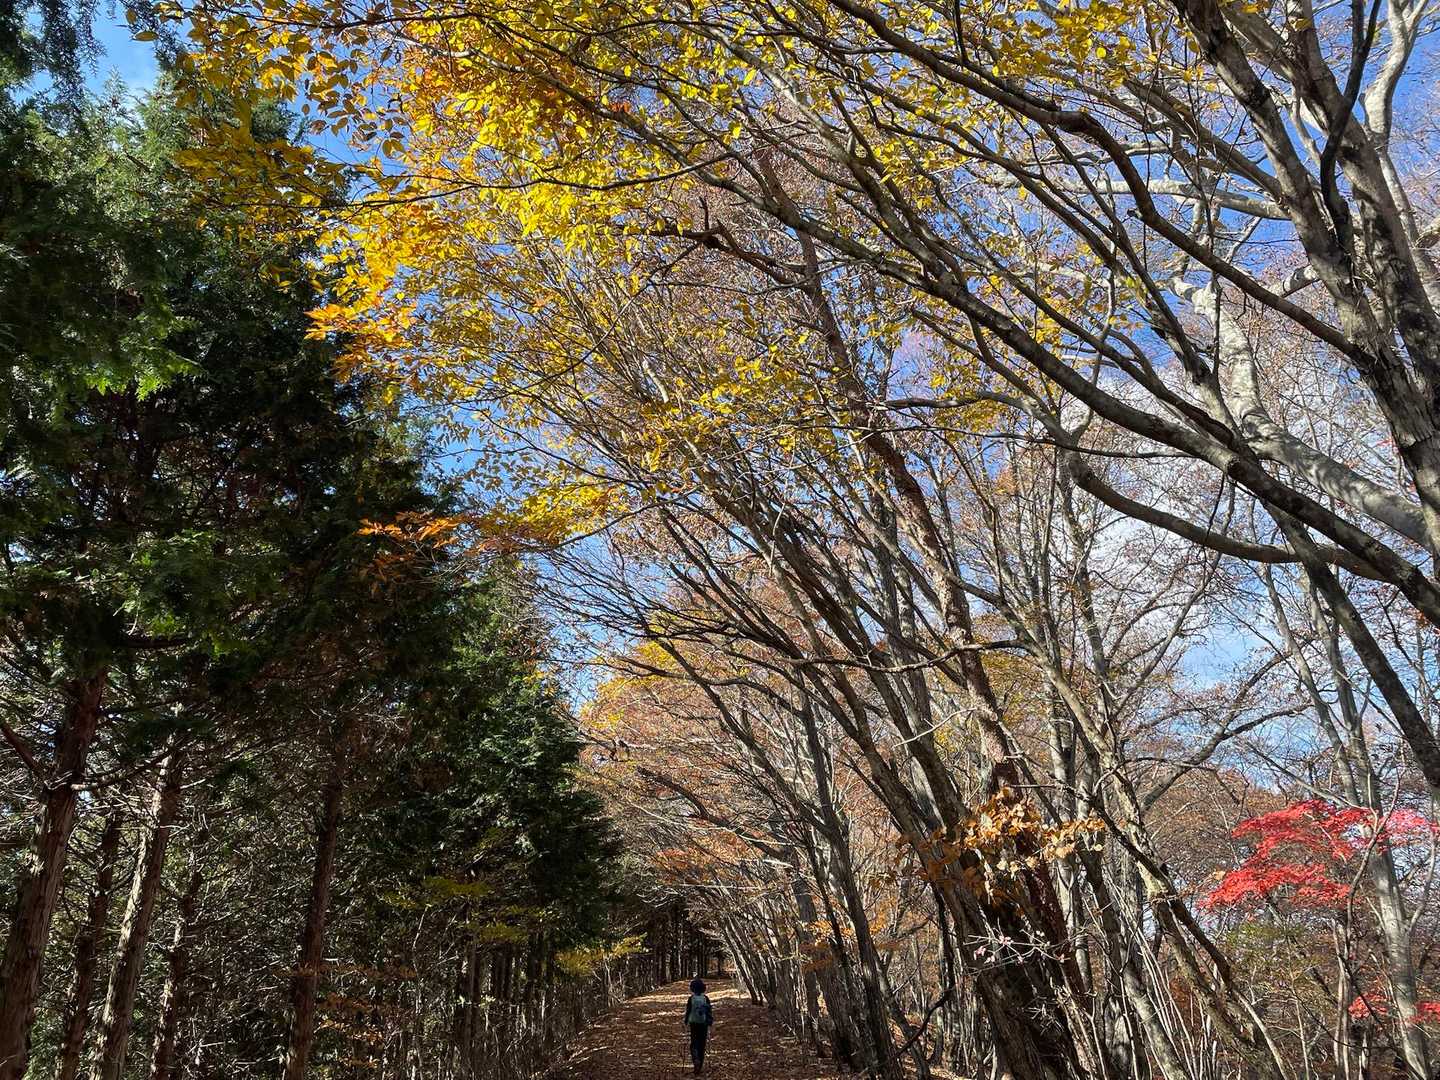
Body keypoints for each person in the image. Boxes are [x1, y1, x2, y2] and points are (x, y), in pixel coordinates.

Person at [681, 977, 714, 1074]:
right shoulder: (706, 998)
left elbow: (688, 1011)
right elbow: (709, 1011)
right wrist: (709, 1021)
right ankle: (699, 1066)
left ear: (692, 988)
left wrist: (686, 1021)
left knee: (694, 1043)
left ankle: (695, 1059)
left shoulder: (691, 999)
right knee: (702, 1044)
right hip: (703, 1024)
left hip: (693, 1023)